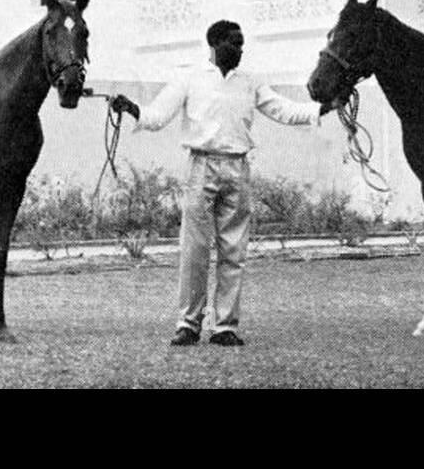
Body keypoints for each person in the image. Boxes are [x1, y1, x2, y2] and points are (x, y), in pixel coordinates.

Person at [130, 19, 320, 346]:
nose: (240, 49)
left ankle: (225, 326)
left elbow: (283, 110)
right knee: (195, 249)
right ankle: (188, 324)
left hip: (238, 167)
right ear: (215, 43)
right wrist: (133, 110)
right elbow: (159, 115)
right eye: (235, 43)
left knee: (234, 250)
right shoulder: (189, 77)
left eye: (242, 43)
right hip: (200, 165)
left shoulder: (250, 82)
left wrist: (322, 109)